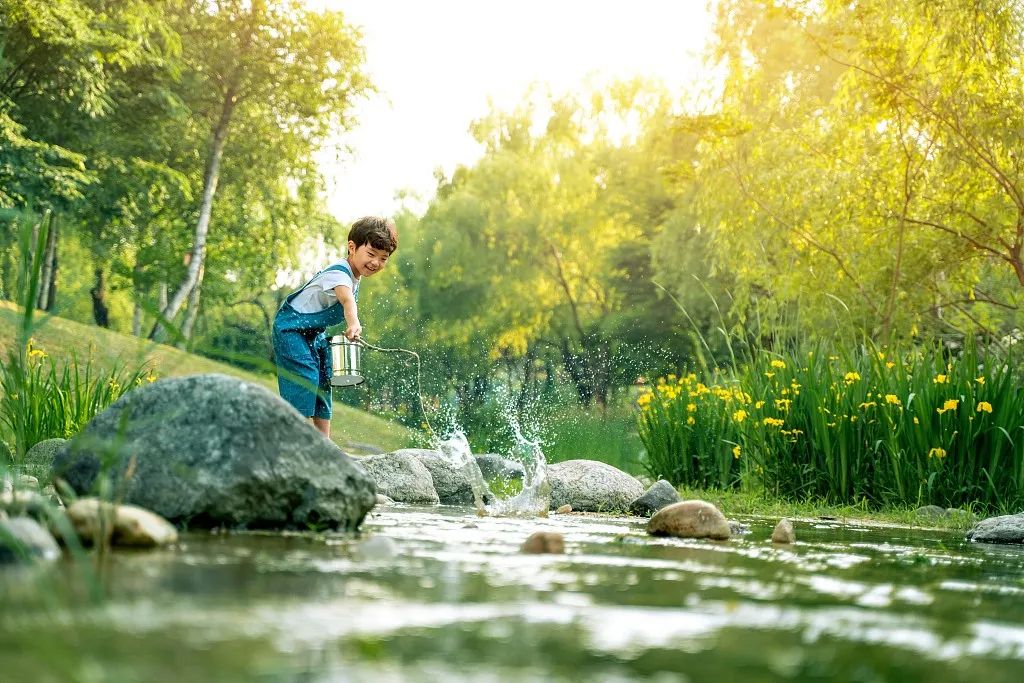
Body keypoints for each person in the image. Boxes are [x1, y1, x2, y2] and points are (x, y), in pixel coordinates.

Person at [273, 216, 397, 437]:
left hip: (312, 333)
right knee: (306, 378)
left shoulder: (354, 276)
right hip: (291, 329)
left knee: (323, 381)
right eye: (371, 254)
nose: (376, 262)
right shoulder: (339, 274)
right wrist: (353, 323)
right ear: (352, 247)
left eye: (383, 258)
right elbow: (347, 300)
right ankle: (295, 439)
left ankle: (324, 442)